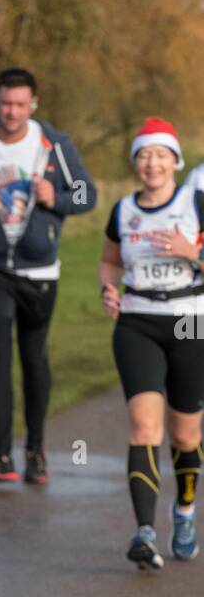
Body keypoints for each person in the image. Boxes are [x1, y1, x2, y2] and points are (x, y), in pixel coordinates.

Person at [0, 67, 97, 484]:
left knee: (34, 356)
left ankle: (35, 452)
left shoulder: (55, 145)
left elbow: (88, 195)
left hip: (39, 267)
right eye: (5, 103)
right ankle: (1, 458)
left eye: (20, 104)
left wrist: (58, 198)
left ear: (34, 105)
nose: (12, 112)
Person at [98, 118, 204, 569]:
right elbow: (108, 259)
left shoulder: (195, 203)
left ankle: (184, 509)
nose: (152, 163)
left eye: (161, 155)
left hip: (190, 323)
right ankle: (144, 532)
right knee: (144, 428)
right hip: (138, 321)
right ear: (135, 163)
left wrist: (192, 253)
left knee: (186, 434)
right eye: (143, 155)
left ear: (175, 162)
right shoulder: (123, 210)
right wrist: (108, 288)